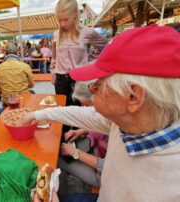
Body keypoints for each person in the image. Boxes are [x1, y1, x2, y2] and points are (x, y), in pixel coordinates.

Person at [23, 25, 180, 201]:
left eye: (97, 85)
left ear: (133, 96)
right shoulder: (126, 122)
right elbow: (79, 115)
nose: (92, 92)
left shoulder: (171, 187)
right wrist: (34, 115)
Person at [52, 0, 108, 106]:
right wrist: (52, 73)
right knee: (62, 112)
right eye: (59, 20)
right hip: (60, 80)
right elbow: (54, 56)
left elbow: (105, 45)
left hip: (79, 80)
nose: (62, 24)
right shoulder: (56, 34)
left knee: (75, 114)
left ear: (75, 15)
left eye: (66, 19)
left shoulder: (87, 32)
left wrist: (88, 60)